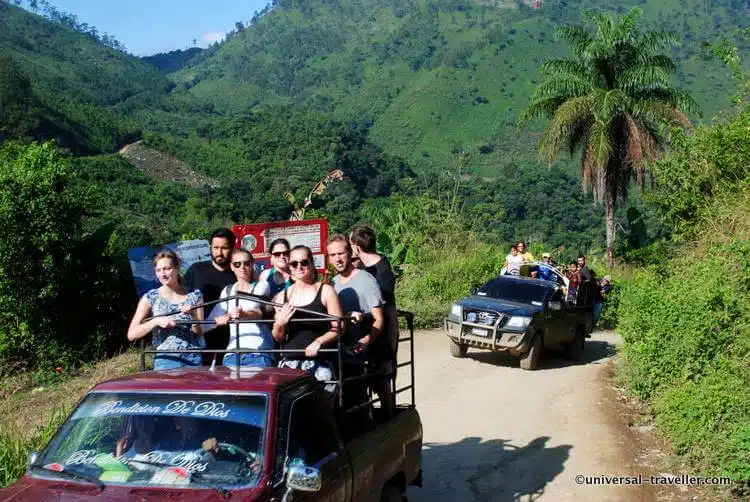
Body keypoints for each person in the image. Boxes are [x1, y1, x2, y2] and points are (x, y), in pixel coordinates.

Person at [327, 234, 390, 418]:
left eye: (341, 253)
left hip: (358, 357)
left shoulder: (365, 280)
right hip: (339, 354)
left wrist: (365, 341)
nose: (337, 259)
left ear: (349, 252)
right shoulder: (334, 282)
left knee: (357, 404)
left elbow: (379, 319)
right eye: (332, 255)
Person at [272, 245, 343, 394]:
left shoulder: (326, 291)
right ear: (289, 267)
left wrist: (319, 341)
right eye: (294, 263)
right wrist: (280, 323)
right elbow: (278, 337)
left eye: (303, 262)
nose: (299, 267)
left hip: (320, 361)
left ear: (311, 263)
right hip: (290, 361)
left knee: (321, 407)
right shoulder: (282, 297)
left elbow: (340, 326)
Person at [127, 250, 205, 370]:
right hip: (166, 359)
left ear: (177, 268)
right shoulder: (150, 297)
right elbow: (131, 334)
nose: (162, 274)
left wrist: (193, 315)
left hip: (193, 358)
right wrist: (155, 322)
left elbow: (199, 332)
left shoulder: (195, 296)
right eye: (158, 270)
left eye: (167, 268)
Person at [350, 225, 399, 401]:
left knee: (382, 384)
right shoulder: (372, 266)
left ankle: (388, 416)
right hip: (368, 337)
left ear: (356, 246)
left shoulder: (381, 273)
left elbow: (389, 313)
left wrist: (391, 349)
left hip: (380, 338)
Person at [206, 248, 275, 368]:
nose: (242, 267)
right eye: (237, 264)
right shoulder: (227, 290)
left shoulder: (261, 286)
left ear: (252, 265)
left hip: (259, 351)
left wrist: (230, 316)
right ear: (231, 267)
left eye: (246, 263)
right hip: (233, 353)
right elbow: (209, 322)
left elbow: (254, 308)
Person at [183, 228, 237, 365]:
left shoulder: (239, 273)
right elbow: (181, 298)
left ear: (233, 248)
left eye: (224, 248)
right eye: (216, 247)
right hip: (197, 342)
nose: (219, 253)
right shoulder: (196, 270)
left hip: (230, 344)